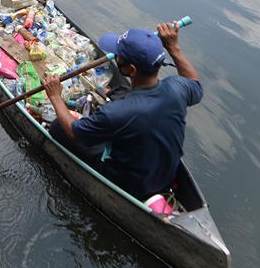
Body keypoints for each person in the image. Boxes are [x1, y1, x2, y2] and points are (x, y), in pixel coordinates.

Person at [42, 22, 202, 199]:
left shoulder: (117, 112)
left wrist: (55, 96)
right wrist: (174, 48)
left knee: (58, 127)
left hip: (130, 185)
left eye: (119, 55)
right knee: (120, 98)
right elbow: (195, 84)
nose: (116, 56)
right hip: (165, 177)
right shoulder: (177, 87)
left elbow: (74, 133)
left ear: (131, 70)